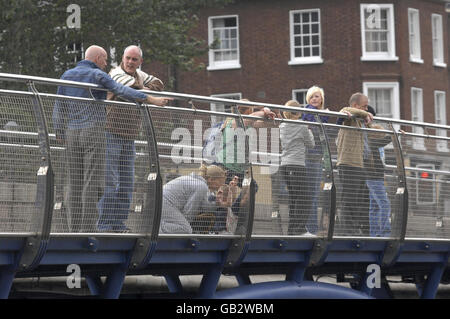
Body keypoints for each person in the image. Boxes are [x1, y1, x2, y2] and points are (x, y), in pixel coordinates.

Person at [52, 45, 170, 232]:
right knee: (92, 182)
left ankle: (74, 229)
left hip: (72, 133)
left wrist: (58, 130)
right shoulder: (99, 75)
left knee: (74, 182)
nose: (106, 63)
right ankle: (88, 229)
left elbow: (59, 105)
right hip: (94, 131)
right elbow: (122, 90)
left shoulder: (67, 75)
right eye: (105, 59)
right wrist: (151, 99)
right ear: (97, 58)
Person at [96, 45, 165, 233]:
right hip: (110, 133)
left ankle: (118, 223)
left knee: (127, 182)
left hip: (130, 136)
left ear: (140, 62)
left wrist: (142, 89)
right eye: (127, 58)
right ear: (122, 58)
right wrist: (145, 92)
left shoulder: (140, 75)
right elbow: (129, 88)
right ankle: (104, 225)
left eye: (134, 60)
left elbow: (159, 83)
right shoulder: (114, 72)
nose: (130, 62)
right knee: (110, 181)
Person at [335, 92, 373, 236]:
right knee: (349, 198)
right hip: (348, 163)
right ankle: (347, 230)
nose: (367, 109)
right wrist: (364, 114)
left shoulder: (359, 121)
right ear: (356, 105)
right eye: (364, 106)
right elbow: (346, 110)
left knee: (358, 198)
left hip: (358, 164)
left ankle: (355, 228)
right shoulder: (348, 116)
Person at [159, 164, 229, 234]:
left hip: (162, 203)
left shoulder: (198, 182)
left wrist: (217, 203)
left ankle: (159, 226)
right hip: (166, 205)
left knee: (184, 228)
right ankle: (159, 229)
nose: (222, 185)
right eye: (220, 182)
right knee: (186, 229)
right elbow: (188, 214)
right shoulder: (201, 186)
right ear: (211, 179)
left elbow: (204, 206)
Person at [279, 100, 315, 235]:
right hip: (297, 164)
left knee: (294, 197)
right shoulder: (301, 126)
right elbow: (311, 144)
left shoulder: (282, 125)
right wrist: (309, 129)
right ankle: (299, 229)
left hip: (285, 165)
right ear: (298, 112)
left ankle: (292, 230)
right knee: (304, 197)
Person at [301, 86, 329, 235]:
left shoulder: (322, 115)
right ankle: (310, 228)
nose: (314, 99)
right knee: (310, 194)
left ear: (322, 98)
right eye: (312, 96)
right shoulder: (308, 112)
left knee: (314, 194)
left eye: (317, 96)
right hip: (308, 158)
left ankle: (311, 227)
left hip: (317, 158)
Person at [365, 107, 392, 237]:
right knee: (384, 203)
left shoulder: (372, 143)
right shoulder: (371, 142)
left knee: (374, 206)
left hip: (375, 178)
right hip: (374, 178)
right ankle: (385, 232)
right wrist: (394, 134)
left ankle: (374, 233)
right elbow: (385, 140)